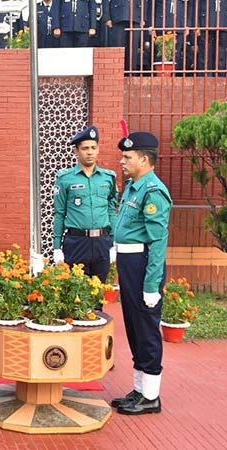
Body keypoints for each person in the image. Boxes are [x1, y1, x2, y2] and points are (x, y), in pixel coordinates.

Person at [111, 131, 171, 415]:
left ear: (144, 159)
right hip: (129, 263)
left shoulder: (153, 191)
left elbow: (157, 243)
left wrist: (151, 285)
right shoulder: (134, 187)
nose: (122, 161)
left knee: (146, 329)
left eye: (127, 157)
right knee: (134, 328)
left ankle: (151, 396)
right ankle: (138, 390)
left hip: (143, 266)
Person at [52, 126, 118, 310]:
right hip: (76, 242)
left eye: (93, 147)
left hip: (102, 242)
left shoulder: (108, 178)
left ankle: (94, 334)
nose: (90, 152)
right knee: (76, 295)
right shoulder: (65, 179)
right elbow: (59, 214)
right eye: (85, 148)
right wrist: (57, 247)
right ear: (76, 151)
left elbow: (112, 210)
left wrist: (114, 242)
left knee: (97, 295)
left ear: (98, 149)